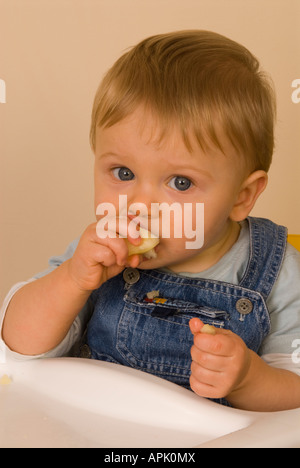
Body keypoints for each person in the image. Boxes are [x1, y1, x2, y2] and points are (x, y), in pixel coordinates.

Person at [1, 30, 300, 411]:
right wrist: (71, 280)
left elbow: (294, 395)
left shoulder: (279, 273)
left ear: (242, 196)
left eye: (180, 182)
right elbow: (18, 347)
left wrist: (248, 380)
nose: (139, 206)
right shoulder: (97, 254)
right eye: (123, 173)